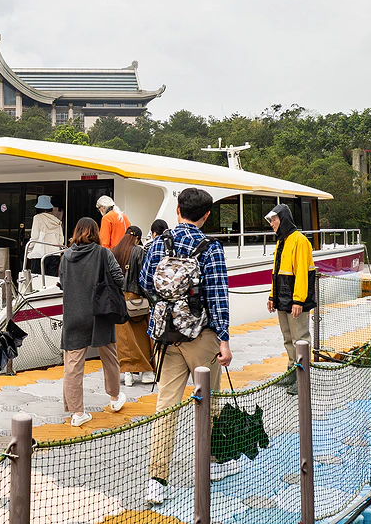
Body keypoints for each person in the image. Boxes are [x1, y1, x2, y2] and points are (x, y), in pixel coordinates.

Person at [139, 188, 234, 504]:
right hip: (200, 336)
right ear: (206, 215)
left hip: (165, 335)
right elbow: (218, 297)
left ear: (177, 210)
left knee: (166, 405)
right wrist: (224, 341)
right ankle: (212, 463)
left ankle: (157, 480)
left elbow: (143, 281)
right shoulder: (210, 248)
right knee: (209, 399)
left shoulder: (158, 243)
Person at [59, 217, 127, 427]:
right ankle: (115, 399)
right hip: (100, 313)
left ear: (76, 231)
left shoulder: (66, 256)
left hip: (73, 315)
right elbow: (119, 279)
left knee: (73, 366)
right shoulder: (103, 253)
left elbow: (62, 283)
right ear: (96, 233)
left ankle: (77, 413)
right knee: (109, 357)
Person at [265, 204, 316, 396]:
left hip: (295, 301)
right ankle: (291, 371)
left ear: (283, 219)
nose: (272, 224)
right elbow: (276, 272)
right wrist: (272, 296)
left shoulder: (299, 241)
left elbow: (302, 273)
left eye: (274, 220)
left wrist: (298, 301)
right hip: (282, 299)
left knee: (300, 339)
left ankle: (302, 377)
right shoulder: (282, 241)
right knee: (288, 338)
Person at [110, 226, 155, 386]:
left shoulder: (113, 251)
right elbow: (145, 277)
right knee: (142, 335)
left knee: (123, 338)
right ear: (137, 238)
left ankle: (127, 373)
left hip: (117, 300)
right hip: (136, 300)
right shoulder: (139, 251)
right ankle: (146, 371)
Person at [28, 195, 64, 276]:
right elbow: (61, 239)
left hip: (39, 254)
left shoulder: (37, 218)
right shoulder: (57, 221)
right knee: (52, 279)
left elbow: (35, 236)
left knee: (37, 279)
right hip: (54, 253)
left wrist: (29, 249)